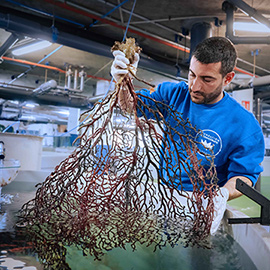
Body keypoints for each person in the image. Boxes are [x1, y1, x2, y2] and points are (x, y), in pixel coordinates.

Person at [110, 36, 265, 234]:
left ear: (227, 78)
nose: (194, 86)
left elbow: (244, 176)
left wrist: (221, 195)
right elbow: (130, 106)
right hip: (165, 198)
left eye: (207, 79)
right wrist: (123, 81)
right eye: (192, 75)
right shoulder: (174, 94)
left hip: (202, 207)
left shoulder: (244, 125)